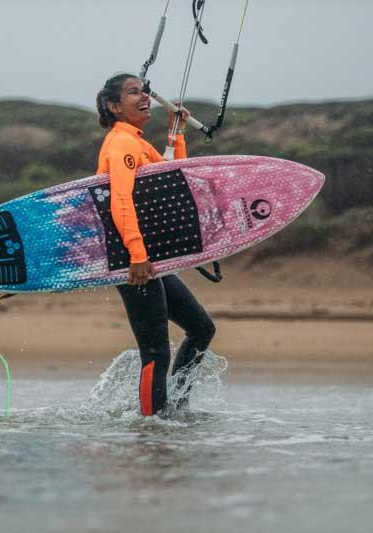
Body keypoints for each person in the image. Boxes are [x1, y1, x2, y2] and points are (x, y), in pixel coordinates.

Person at [95, 73, 216, 416]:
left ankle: (174, 406)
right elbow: (120, 201)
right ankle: (151, 426)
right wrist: (136, 255)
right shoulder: (120, 144)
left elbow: (168, 181)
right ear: (114, 105)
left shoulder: (136, 142)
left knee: (201, 329)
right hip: (132, 260)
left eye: (144, 91)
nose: (144, 97)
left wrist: (175, 134)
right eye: (134, 93)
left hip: (146, 258)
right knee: (156, 352)